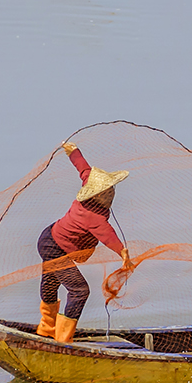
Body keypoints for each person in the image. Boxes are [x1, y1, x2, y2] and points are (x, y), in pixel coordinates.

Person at [36, 141, 131, 343]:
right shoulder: (93, 217)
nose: (111, 194)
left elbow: (84, 169)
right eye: (107, 192)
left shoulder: (89, 185)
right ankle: (62, 339)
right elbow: (107, 235)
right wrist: (122, 252)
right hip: (55, 248)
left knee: (52, 281)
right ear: (97, 195)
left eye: (112, 189)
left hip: (48, 238)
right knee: (79, 290)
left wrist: (73, 151)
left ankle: (47, 329)